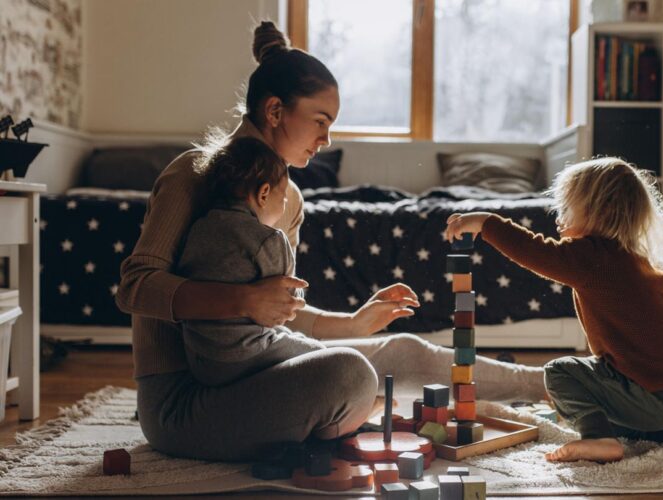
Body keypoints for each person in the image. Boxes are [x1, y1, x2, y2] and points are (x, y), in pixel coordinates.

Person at [117, 21, 545, 461]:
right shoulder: (192, 173)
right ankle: (338, 420)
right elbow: (135, 287)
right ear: (275, 111)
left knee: (401, 350)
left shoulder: (291, 200)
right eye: (320, 122)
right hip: (183, 403)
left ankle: (550, 384)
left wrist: (354, 323)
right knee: (348, 376)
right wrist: (243, 301)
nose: (326, 140)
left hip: (257, 370)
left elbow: (279, 313)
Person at [445, 158, 663, 463]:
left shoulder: (593, 256)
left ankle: (599, 439)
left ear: (597, 211)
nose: (558, 220)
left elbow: (534, 250)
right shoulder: (631, 256)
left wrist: (486, 222)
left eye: (567, 210)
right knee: (601, 392)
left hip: (650, 395)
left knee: (560, 372)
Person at [177, 136, 322, 387]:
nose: (285, 205)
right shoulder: (268, 239)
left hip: (200, 359)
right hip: (248, 353)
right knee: (324, 356)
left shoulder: (199, 227)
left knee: (286, 338)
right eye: (284, 199)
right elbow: (289, 300)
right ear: (264, 193)